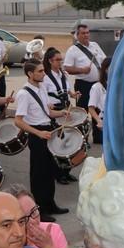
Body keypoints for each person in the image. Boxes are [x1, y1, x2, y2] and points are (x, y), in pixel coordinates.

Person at [15, 59, 69, 220]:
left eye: (43, 71)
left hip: (47, 130)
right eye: (40, 71)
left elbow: (48, 112)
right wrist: (38, 133)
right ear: (30, 74)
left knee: (50, 170)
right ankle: (39, 210)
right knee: (38, 174)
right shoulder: (24, 94)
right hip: (37, 135)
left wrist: (62, 113)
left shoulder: (42, 87)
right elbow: (18, 121)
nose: (43, 73)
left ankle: (50, 204)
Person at [41, 47, 80, 184]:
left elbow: (68, 90)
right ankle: (58, 174)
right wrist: (47, 104)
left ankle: (66, 171)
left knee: (68, 141)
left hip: (66, 108)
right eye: (57, 60)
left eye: (61, 60)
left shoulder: (63, 74)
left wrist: (73, 95)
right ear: (50, 61)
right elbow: (41, 94)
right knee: (58, 142)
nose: (60, 62)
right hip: (55, 110)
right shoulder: (45, 77)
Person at [9, 184, 68, 248]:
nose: (33, 221)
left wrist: (49, 247)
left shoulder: (53, 230)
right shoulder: (6, 242)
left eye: (34, 211)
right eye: (23, 219)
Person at [64, 23, 107, 113]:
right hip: (83, 85)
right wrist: (81, 70)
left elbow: (104, 60)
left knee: (99, 110)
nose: (86, 35)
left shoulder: (95, 45)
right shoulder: (73, 50)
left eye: (87, 33)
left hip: (98, 83)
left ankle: (98, 126)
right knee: (82, 111)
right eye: (83, 33)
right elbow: (67, 68)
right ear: (77, 35)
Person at [86, 57, 111, 147]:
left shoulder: (118, 85)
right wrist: (99, 121)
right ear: (106, 70)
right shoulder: (97, 87)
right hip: (104, 121)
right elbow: (91, 108)